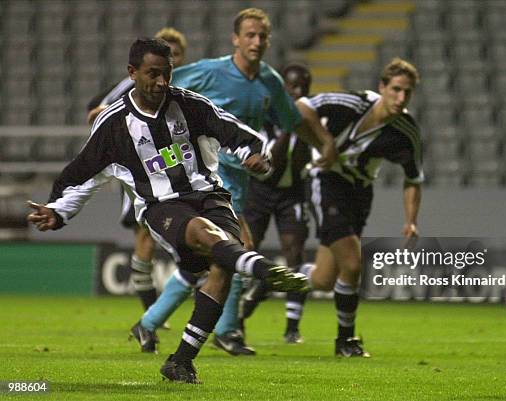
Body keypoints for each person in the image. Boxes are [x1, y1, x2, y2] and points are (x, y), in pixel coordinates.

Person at [27, 37, 308, 384]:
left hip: (210, 196)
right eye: (153, 74)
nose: (161, 83)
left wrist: (254, 155)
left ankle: (181, 361)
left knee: (222, 268)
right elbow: (84, 174)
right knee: (208, 236)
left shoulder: (191, 106)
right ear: (132, 73)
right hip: (162, 207)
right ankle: (258, 266)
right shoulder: (115, 125)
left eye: (167, 74)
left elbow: (239, 133)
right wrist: (58, 211)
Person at [132, 8, 336, 357]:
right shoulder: (211, 71)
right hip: (207, 176)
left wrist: (324, 145)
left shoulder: (269, 81)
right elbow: (160, 84)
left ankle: (150, 323)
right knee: (237, 249)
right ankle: (226, 331)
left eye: (262, 36)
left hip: (241, 181)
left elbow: (292, 119)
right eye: (250, 35)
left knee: (213, 260)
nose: (256, 41)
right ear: (236, 39)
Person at [295, 58, 424, 357]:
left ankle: (287, 277)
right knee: (353, 263)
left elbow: (413, 178)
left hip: (359, 191)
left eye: (407, 92)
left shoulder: (407, 132)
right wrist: (326, 143)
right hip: (325, 181)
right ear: (382, 87)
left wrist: (411, 220)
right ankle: (345, 342)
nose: (401, 98)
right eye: (395, 90)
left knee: (324, 279)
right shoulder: (351, 103)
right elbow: (302, 105)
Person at [85, 28, 188, 321]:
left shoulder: (188, 86)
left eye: (176, 55)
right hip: (142, 170)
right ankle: (152, 314)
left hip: (179, 170)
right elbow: (97, 109)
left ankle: (161, 311)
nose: (173, 60)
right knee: (145, 238)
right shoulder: (135, 84)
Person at [239, 63, 313, 344]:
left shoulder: (313, 119)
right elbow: (271, 162)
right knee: (246, 251)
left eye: (304, 88)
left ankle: (292, 328)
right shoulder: (267, 118)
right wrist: (289, 127)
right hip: (259, 191)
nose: (299, 94)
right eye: (293, 88)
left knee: (295, 255)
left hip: (293, 193)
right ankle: (237, 321)